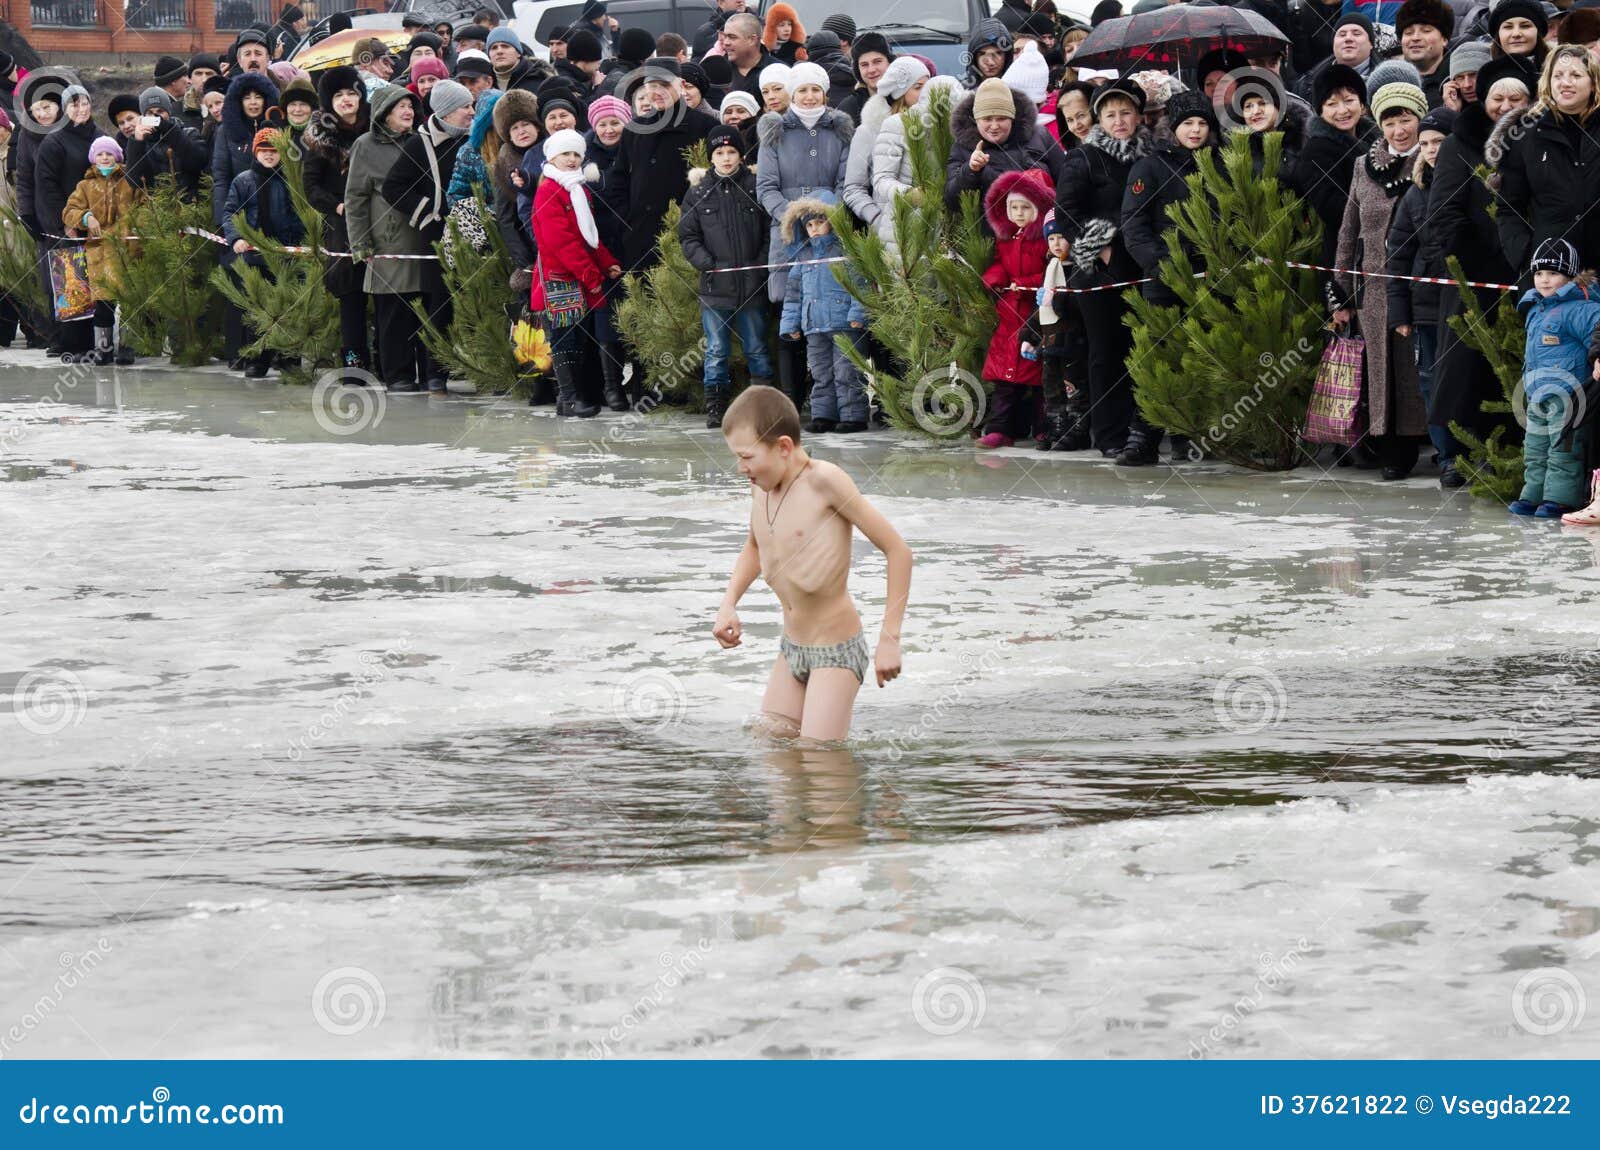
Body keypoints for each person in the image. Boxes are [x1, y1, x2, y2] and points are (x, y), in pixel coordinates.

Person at [712, 384, 910, 742]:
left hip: (835, 651)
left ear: (784, 446)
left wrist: (889, 638)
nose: (741, 468)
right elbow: (756, 546)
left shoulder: (825, 481)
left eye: (747, 457)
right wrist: (729, 603)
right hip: (792, 649)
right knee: (771, 747)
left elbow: (898, 550)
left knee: (819, 765)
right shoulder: (761, 483)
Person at [1425, 56, 1531, 488]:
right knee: (1465, 369)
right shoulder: (1459, 143)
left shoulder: (1542, 139)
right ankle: (1458, 453)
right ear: (1483, 100)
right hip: (1475, 278)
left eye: (1516, 97)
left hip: (1530, 273)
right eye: (1496, 97)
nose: (1505, 105)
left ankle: (1522, 451)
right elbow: (1444, 213)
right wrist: (1482, 259)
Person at [1332, 79, 1430, 479]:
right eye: (1390, 121)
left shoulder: (1433, 161)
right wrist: (1339, 292)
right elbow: (1347, 230)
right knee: (1379, 372)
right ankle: (1390, 449)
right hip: (1371, 290)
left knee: (1413, 369)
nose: (1398, 130)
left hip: (1416, 286)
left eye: (1405, 119)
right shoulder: (1362, 166)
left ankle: (1425, 446)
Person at [1054, 78, 1155, 456]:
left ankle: (1140, 431)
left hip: (1142, 264)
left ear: (1139, 115)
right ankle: (1108, 435)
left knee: (1138, 347)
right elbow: (1065, 211)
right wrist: (1101, 248)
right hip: (1096, 268)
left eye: (1126, 112)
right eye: (1110, 114)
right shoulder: (1083, 157)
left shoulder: (1150, 154)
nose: (1119, 120)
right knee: (1104, 351)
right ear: (1099, 119)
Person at [1119, 89, 1218, 465]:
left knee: (1199, 355)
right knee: (1158, 358)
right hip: (1163, 279)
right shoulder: (1150, 167)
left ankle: (1188, 436)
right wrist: (1163, 266)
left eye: (1202, 123)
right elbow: (1134, 224)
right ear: (1173, 126)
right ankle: (1143, 436)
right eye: (1188, 123)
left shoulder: (1218, 166)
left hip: (1208, 278)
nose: (1195, 131)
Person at [758, 62, 854, 413]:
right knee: (792, 311)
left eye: (816, 90)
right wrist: (793, 218)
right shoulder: (774, 131)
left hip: (832, 231)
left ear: (825, 94)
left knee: (831, 314)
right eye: (802, 90)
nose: (809, 97)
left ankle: (827, 399)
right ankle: (791, 398)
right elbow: (766, 187)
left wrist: (831, 215)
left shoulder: (841, 131)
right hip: (787, 234)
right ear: (792, 94)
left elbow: (847, 181)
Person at [382, 78, 475, 394]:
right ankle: (436, 372)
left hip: (474, 232)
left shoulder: (474, 140)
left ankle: (483, 367)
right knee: (440, 305)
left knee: (475, 299)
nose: (471, 112)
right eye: (465, 106)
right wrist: (428, 212)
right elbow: (392, 187)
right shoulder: (418, 143)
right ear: (448, 111)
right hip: (436, 235)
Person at [680, 125, 774, 428]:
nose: (726, 157)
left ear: (741, 154)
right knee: (717, 349)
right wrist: (707, 263)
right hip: (715, 288)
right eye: (719, 153)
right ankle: (716, 407)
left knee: (756, 347)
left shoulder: (755, 186)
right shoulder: (697, 192)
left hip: (751, 286)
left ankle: (761, 407)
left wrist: (759, 264)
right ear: (711, 157)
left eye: (731, 151)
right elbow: (688, 237)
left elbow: (769, 232)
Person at [528, 128, 621, 418]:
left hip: (578, 274)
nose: (571, 159)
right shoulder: (548, 190)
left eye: (576, 154)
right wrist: (591, 276)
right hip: (560, 278)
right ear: (552, 158)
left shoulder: (576, 188)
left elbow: (588, 235)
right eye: (565, 154)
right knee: (564, 337)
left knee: (577, 337)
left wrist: (606, 262)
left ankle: (570, 396)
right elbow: (562, 241)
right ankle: (568, 397)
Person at [1507, 238, 1600, 516]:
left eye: (1553, 273)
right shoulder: (1535, 308)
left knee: (1563, 449)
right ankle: (1532, 495)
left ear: (1570, 276)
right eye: (1539, 273)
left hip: (1571, 396)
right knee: (1535, 449)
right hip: (1538, 393)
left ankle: (1560, 499)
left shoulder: (1582, 308)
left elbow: (1597, 334)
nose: (1544, 280)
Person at [1386, 105, 1455, 470]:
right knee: (1431, 383)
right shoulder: (1415, 194)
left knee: (1467, 380)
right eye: (1425, 143)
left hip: (1467, 304)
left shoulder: (1475, 181)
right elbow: (1397, 255)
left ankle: (1477, 454)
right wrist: (1399, 312)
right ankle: (1448, 458)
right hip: (1426, 308)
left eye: (1439, 141)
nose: (1430, 149)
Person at [346, 85, 427, 393]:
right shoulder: (365, 145)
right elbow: (355, 197)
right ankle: (397, 374)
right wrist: (361, 242)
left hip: (419, 237)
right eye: (400, 106)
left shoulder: (420, 142)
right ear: (384, 112)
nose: (407, 111)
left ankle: (424, 371)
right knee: (392, 311)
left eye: (410, 105)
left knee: (419, 307)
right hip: (387, 241)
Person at [602, 59, 718, 274]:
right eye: (651, 85)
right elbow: (618, 180)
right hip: (640, 236)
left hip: (688, 235)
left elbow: (716, 180)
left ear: (681, 85)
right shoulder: (635, 129)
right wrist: (626, 221)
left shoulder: (706, 126)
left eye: (664, 85)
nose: (657, 92)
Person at [1495, 45, 1600, 277]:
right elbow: (1508, 207)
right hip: (1549, 278)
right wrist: (1526, 257)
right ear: (1548, 82)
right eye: (1558, 76)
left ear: (1593, 82)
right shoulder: (1525, 135)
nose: (1565, 83)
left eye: (1576, 75)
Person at [974, 169, 1054, 448]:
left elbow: (1051, 271)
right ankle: (1000, 428)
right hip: (1009, 313)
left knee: (1040, 378)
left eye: (1025, 208)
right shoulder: (1006, 237)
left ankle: (1045, 426)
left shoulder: (1045, 239)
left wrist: (1028, 282)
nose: (1018, 214)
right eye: (1013, 207)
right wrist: (995, 278)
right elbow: (1000, 263)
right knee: (1006, 379)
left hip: (1037, 311)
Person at [302, 65, 372, 374]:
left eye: (352, 94)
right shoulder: (319, 136)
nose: (346, 100)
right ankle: (355, 367)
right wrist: (338, 206)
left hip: (380, 221)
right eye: (339, 95)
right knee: (351, 299)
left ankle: (389, 362)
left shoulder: (377, 127)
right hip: (342, 227)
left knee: (386, 297)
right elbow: (311, 187)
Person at [1288, 64, 1375, 312]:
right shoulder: (1318, 150)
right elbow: (1331, 208)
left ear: (1362, 103)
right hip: (1345, 253)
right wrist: (1379, 208)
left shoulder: (1377, 141)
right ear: (1320, 110)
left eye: (1349, 100)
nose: (1343, 110)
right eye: (1331, 104)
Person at [779, 195, 868, 433]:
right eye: (809, 225)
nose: (814, 229)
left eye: (819, 222)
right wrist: (790, 324)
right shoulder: (803, 257)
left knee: (846, 371)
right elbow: (793, 294)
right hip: (814, 326)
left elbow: (861, 284)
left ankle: (853, 416)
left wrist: (858, 312)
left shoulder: (846, 251)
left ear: (832, 221)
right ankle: (823, 415)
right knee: (820, 372)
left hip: (845, 324)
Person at [222, 128, 304, 377]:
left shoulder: (291, 179)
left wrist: (302, 243)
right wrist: (236, 237)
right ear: (256, 153)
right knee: (258, 310)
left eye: (274, 151)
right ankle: (258, 359)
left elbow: (301, 213)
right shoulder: (244, 180)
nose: (269, 156)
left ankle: (290, 359)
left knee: (289, 309)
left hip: (287, 257)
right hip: (255, 257)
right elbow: (229, 213)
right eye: (264, 151)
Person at [948, 79, 1067, 234]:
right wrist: (970, 170)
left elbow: (1067, 182)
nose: (994, 126)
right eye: (987, 119)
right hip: (994, 244)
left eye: (1001, 118)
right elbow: (951, 200)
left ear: (1012, 117)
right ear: (976, 120)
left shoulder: (1040, 136)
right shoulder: (962, 148)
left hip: (1043, 239)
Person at [35, 85, 99, 360]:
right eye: (73, 104)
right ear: (64, 109)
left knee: (97, 282)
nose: (80, 109)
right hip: (66, 223)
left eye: (84, 103)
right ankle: (70, 341)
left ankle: (98, 339)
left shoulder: (101, 138)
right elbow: (46, 186)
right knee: (71, 284)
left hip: (97, 223)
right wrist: (65, 222)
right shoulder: (55, 141)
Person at [62, 134, 138, 366]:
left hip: (127, 251)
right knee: (103, 305)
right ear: (93, 158)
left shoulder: (129, 181)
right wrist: (86, 218)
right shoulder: (84, 186)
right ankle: (102, 349)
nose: (105, 158)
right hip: (99, 254)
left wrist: (133, 226)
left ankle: (127, 347)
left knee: (130, 302)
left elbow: (144, 206)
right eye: (100, 154)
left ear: (117, 157)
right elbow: (69, 211)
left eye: (109, 154)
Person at [872, 75, 963, 253]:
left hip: (951, 230)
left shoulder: (961, 130)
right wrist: (911, 195)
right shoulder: (898, 125)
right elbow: (881, 179)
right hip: (904, 233)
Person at [845, 56, 928, 237]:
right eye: (918, 87)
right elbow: (853, 188)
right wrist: (878, 219)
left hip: (931, 232)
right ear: (900, 93)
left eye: (927, 86)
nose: (926, 93)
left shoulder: (932, 126)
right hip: (893, 234)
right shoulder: (868, 130)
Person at [124, 87, 208, 200]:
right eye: (150, 113)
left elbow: (198, 164)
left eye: (160, 112)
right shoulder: (142, 143)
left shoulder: (189, 133)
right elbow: (135, 181)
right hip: (159, 209)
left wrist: (169, 130)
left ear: (169, 111)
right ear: (143, 116)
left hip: (191, 206)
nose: (156, 117)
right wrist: (137, 142)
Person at [1393, 0, 1454, 108]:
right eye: (1408, 33)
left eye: (1426, 31)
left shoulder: (1460, 80)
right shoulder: (1390, 83)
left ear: (1444, 39)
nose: (1415, 38)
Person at [723, 12, 778, 102]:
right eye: (725, 36)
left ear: (752, 40)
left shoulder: (777, 69)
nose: (726, 42)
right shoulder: (716, 69)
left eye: (732, 37)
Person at [839, 32, 892, 124]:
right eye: (864, 65)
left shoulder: (905, 98)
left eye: (877, 62)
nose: (871, 70)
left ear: (890, 63)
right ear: (858, 70)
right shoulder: (849, 108)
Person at [965, 19, 1013, 90]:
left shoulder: (1020, 89)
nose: (991, 62)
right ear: (974, 57)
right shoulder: (961, 93)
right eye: (982, 54)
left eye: (998, 53)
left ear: (1007, 56)